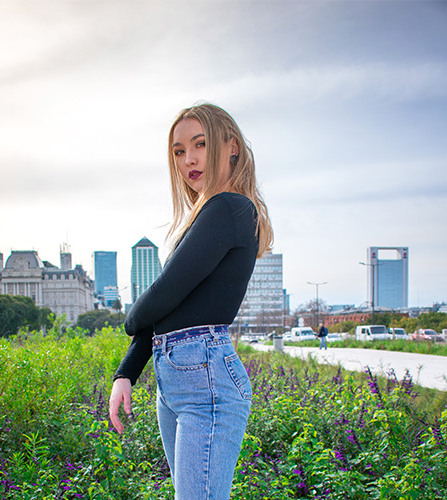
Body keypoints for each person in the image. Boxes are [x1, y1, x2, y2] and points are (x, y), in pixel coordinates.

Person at [108, 103, 274, 500]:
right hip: (179, 379)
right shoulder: (207, 215)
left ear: (231, 147)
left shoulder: (230, 208)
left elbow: (164, 293)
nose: (189, 159)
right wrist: (126, 372)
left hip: (206, 379)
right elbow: (172, 307)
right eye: (179, 151)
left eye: (200, 144)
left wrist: (130, 319)